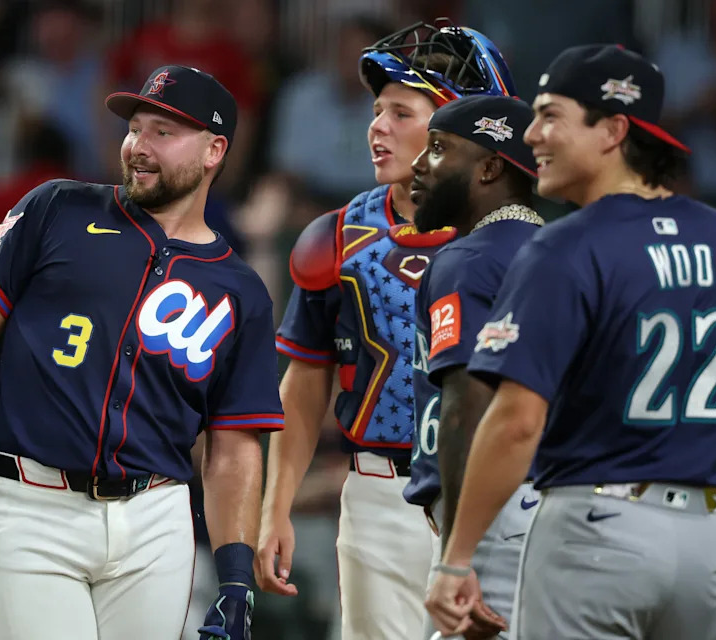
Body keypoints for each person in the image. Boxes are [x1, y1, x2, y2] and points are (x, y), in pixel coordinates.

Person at [0, 65, 284, 640]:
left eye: (164, 131)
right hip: (29, 498)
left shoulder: (240, 290)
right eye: (136, 128)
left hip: (157, 516)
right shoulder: (57, 207)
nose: (138, 145)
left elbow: (233, 446)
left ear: (214, 151)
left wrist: (235, 579)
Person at [428, 44, 716, 640]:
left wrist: (458, 557)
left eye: (552, 115)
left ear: (613, 130)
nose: (531, 135)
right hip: (713, 542)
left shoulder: (566, 248)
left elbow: (515, 423)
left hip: (599, 533)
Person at [258, 19, 516, 639]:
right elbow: (304, 382)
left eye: (401, 112)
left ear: (457, 124)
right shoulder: (338, 237)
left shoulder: (519, 237)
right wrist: (275, 506)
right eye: (378, 111)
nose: (377, 127)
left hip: (500, 496)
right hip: (378, 495)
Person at [407, 95, 543, 640]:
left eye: (439, 149)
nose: (419, 164)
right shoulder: (557, 248)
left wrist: (455, 556)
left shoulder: (469, 258)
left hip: (492, 516)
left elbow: (466, 403)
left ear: (489, 167)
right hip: (557, 511)